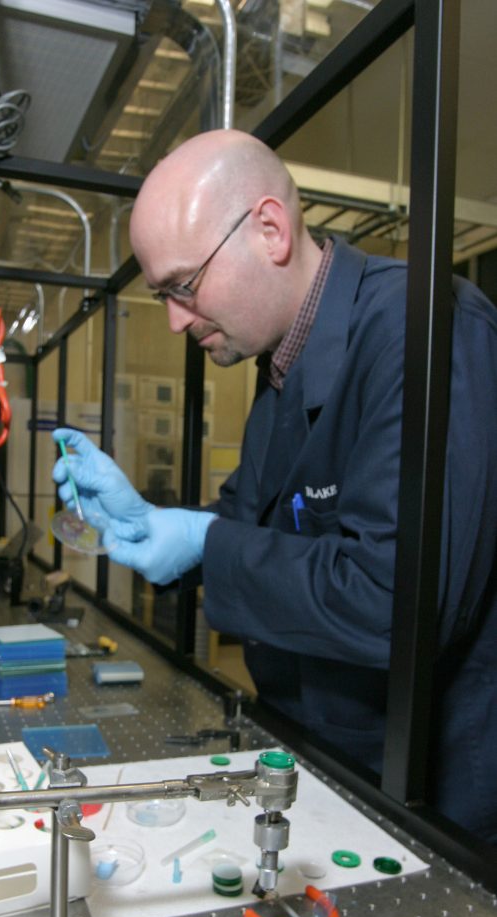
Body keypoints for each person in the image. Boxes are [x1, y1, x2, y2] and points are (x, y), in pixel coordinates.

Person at [53, 129, 497, 842]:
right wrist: (150, 521)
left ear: (269, 229)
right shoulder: (281, 366)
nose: (173, 320)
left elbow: (395, 602)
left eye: (184, 286)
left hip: (433, 799)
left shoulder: (420, 333)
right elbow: (246, 525)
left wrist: (206, 542)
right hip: (324, 752)